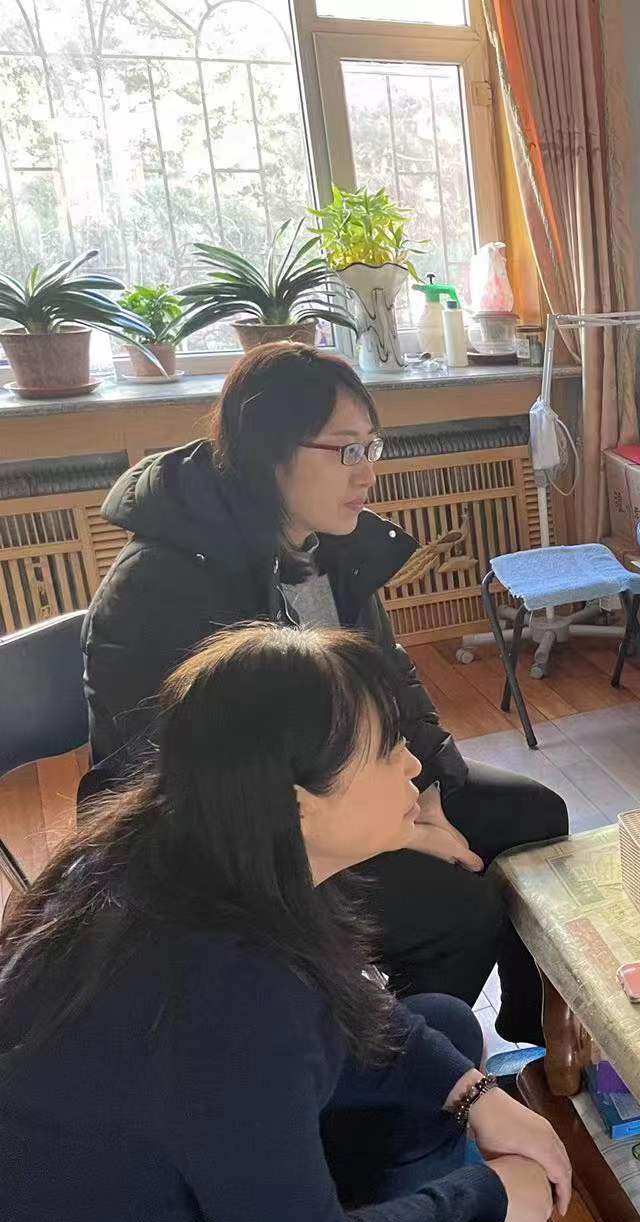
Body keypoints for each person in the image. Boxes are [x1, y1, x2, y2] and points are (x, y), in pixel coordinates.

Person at [0, 625, 568, 1222]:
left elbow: (342, 1015)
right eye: (387, 749)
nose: (413, 763)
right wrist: (488, 1198)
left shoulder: (187, 854)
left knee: (439, 1028)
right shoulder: (224, 990)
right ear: (298, 805)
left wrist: (473, 1092)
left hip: (161, 1187)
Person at [81, 342, 569, 1045]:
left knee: (534, 815)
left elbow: (389, 680)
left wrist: (427, 792)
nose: (367, 472)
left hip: (348, 790)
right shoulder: (159, 587)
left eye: (372, 447)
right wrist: (395, 829)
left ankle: (536, 1041)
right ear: (267, 448)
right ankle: (390, 1071)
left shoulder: (331, 543)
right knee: (458, 910)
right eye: (345, 451)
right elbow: (176, 786)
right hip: (246, 846)